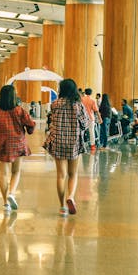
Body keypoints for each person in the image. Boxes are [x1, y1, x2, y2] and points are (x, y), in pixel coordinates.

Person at [0, 85, 35, 211]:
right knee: (16, 172)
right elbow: (31, 125)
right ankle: (12, 193)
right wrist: (30, 129)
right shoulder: (19, 110)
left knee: (3, 174)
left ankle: (6, 203)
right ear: (14, 96)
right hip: (18, 144)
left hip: (2, 144)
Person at [44, 79, 90, 216]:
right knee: (73, 174)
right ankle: (70, 196)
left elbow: (52, 121)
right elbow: (85, 124)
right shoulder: (78, 105)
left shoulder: (55, 104)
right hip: (73, 143)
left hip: (58, 141)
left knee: (61, 175)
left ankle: (62, 207)